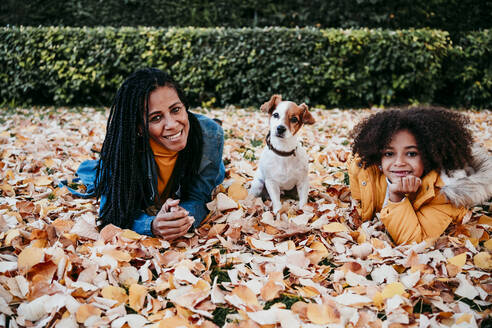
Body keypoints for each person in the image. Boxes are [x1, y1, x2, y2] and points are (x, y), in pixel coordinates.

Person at [62, 68, 225, 240]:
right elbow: (112, 213)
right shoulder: (124, 152)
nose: (171, 124)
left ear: (185, 106)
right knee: (99, 174)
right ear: (139, 127)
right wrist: (153, 225)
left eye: (176, 110)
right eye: (156, 118)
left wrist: (181, 218)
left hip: (207, 163)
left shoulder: (210, 135)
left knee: (217, 173)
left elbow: (199, 197)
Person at [348, 106, 492, 245]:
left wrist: (396, 197)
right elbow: (360, 210)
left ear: (429, 155)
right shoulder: (364, 171)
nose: (399, 162)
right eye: (389, 154)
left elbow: (414, 241)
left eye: (411, 154)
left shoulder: (446, 192)